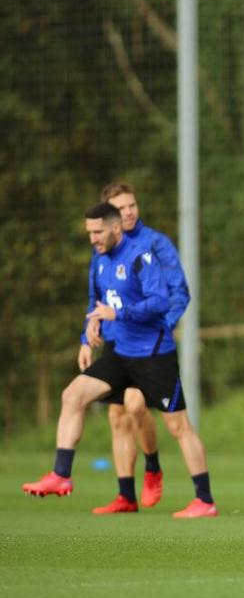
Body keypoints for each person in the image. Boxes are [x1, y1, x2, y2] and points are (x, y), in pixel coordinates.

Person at [22, 202, 217, 518]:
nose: (93, 238)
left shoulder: (142, 256)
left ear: (116, 228)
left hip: (153, 355)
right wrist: (89, 332)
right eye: (89, 233)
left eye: (98, 232)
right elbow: (96, 301)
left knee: (178, 425)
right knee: (72, 396)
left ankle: (205, 500)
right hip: (119, 353)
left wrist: (119, 313)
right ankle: (61, 474)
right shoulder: (98, 259)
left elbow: (160, 301)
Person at [88, 182, 192, 510]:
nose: (129, 212)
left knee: (136, 407)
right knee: (118, 416)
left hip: (149, 344)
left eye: (132, 205)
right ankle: (125, 495)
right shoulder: (101, 248)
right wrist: (91, 331)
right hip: (117, 343)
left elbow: (179, 292)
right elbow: (98, 297)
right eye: (121, 208)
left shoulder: (155, 243)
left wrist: (161, 327)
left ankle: (152, 466)